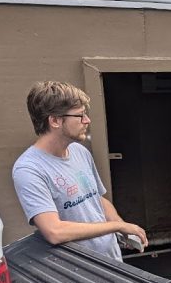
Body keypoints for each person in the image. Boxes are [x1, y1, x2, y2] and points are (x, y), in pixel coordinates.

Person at [12, 80, 148, 259]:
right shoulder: (29, 169)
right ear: (55, 120)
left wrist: (121, 227)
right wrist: (117, 226)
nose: (87, 120)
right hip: (80, 268)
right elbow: (54, 231)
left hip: (111, 258)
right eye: (80, 115)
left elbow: (96, 198)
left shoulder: (79, 151)